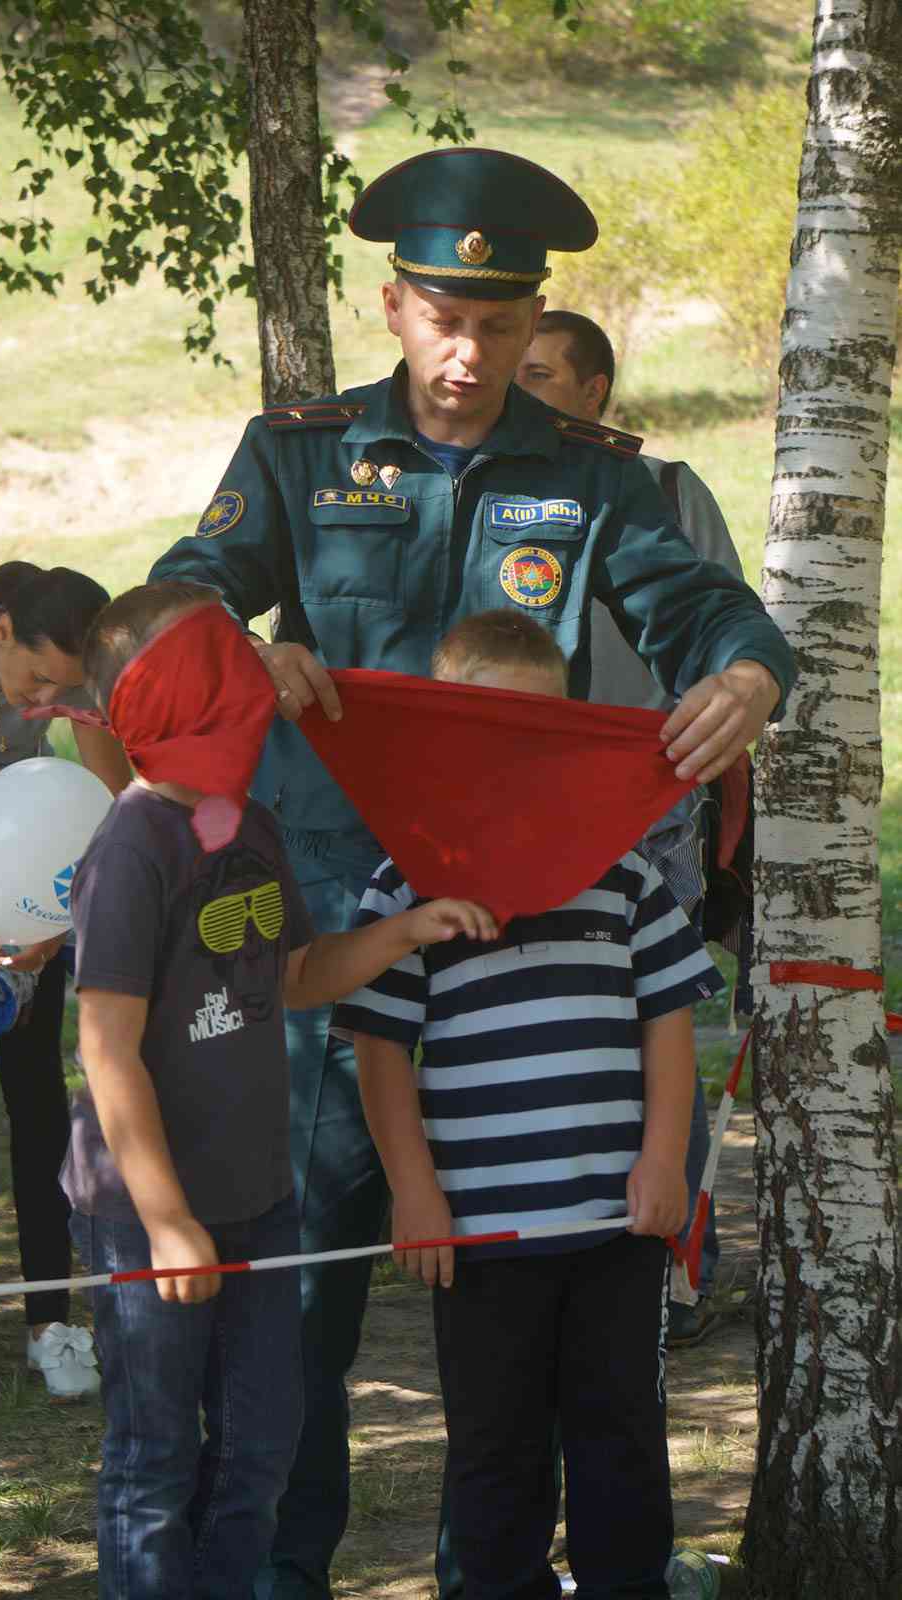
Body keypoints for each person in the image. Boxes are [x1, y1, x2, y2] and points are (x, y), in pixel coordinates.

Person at [148, 146, 796, 1600]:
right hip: (338, 937)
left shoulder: (590, 477)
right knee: (302, 1295)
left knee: (525, 1315)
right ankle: (281, 1573)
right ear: (394, 306)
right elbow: (183, 592)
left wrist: (748, 680)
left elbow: (716, 616)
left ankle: (489, 1575)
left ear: (533, 323)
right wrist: (236, 647)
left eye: (501, 326)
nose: (470, 354)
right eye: (445, 319)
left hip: (532, 949)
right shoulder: (298, 455)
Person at [62, 581, 497, 1600]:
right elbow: (107, 1051)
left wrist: (402, 931)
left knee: (261, 1442)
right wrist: (167, 1221)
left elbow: (298, 974)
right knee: (156, 1455)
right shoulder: (130, 849)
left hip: (260, 1201)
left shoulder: (249, 824)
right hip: (146, 1217)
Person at [335, 608, 725, 1600]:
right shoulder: (406, 885)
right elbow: (380, 1047)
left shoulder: (623, 871)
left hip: (616, 1229)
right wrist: (414, 1192)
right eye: (485, 731)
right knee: (495, 1445)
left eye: (534, 730)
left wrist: (665, 1160)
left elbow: (668, 1019)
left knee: (621, 1434)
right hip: (478, 1238)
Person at [516, 309, 733, 1345]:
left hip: (649, 815)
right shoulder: (491, 493)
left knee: (658, 1027)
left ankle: (679, 1267)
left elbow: (721, 644)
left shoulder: (670, 493)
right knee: (539, 1028)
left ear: (594, 391)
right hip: (521, 808)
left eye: (540, 374)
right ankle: (551, 1245)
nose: (517, 388)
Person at [0, 560, 131, 1398]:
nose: (43, 702)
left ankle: (49, 1324)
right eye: (35, 680)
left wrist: (56, 926)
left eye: (61, 689)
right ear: (0, 632)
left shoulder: (69, 677)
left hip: (25, 874)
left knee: (36, 1105)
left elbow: (115, 805)